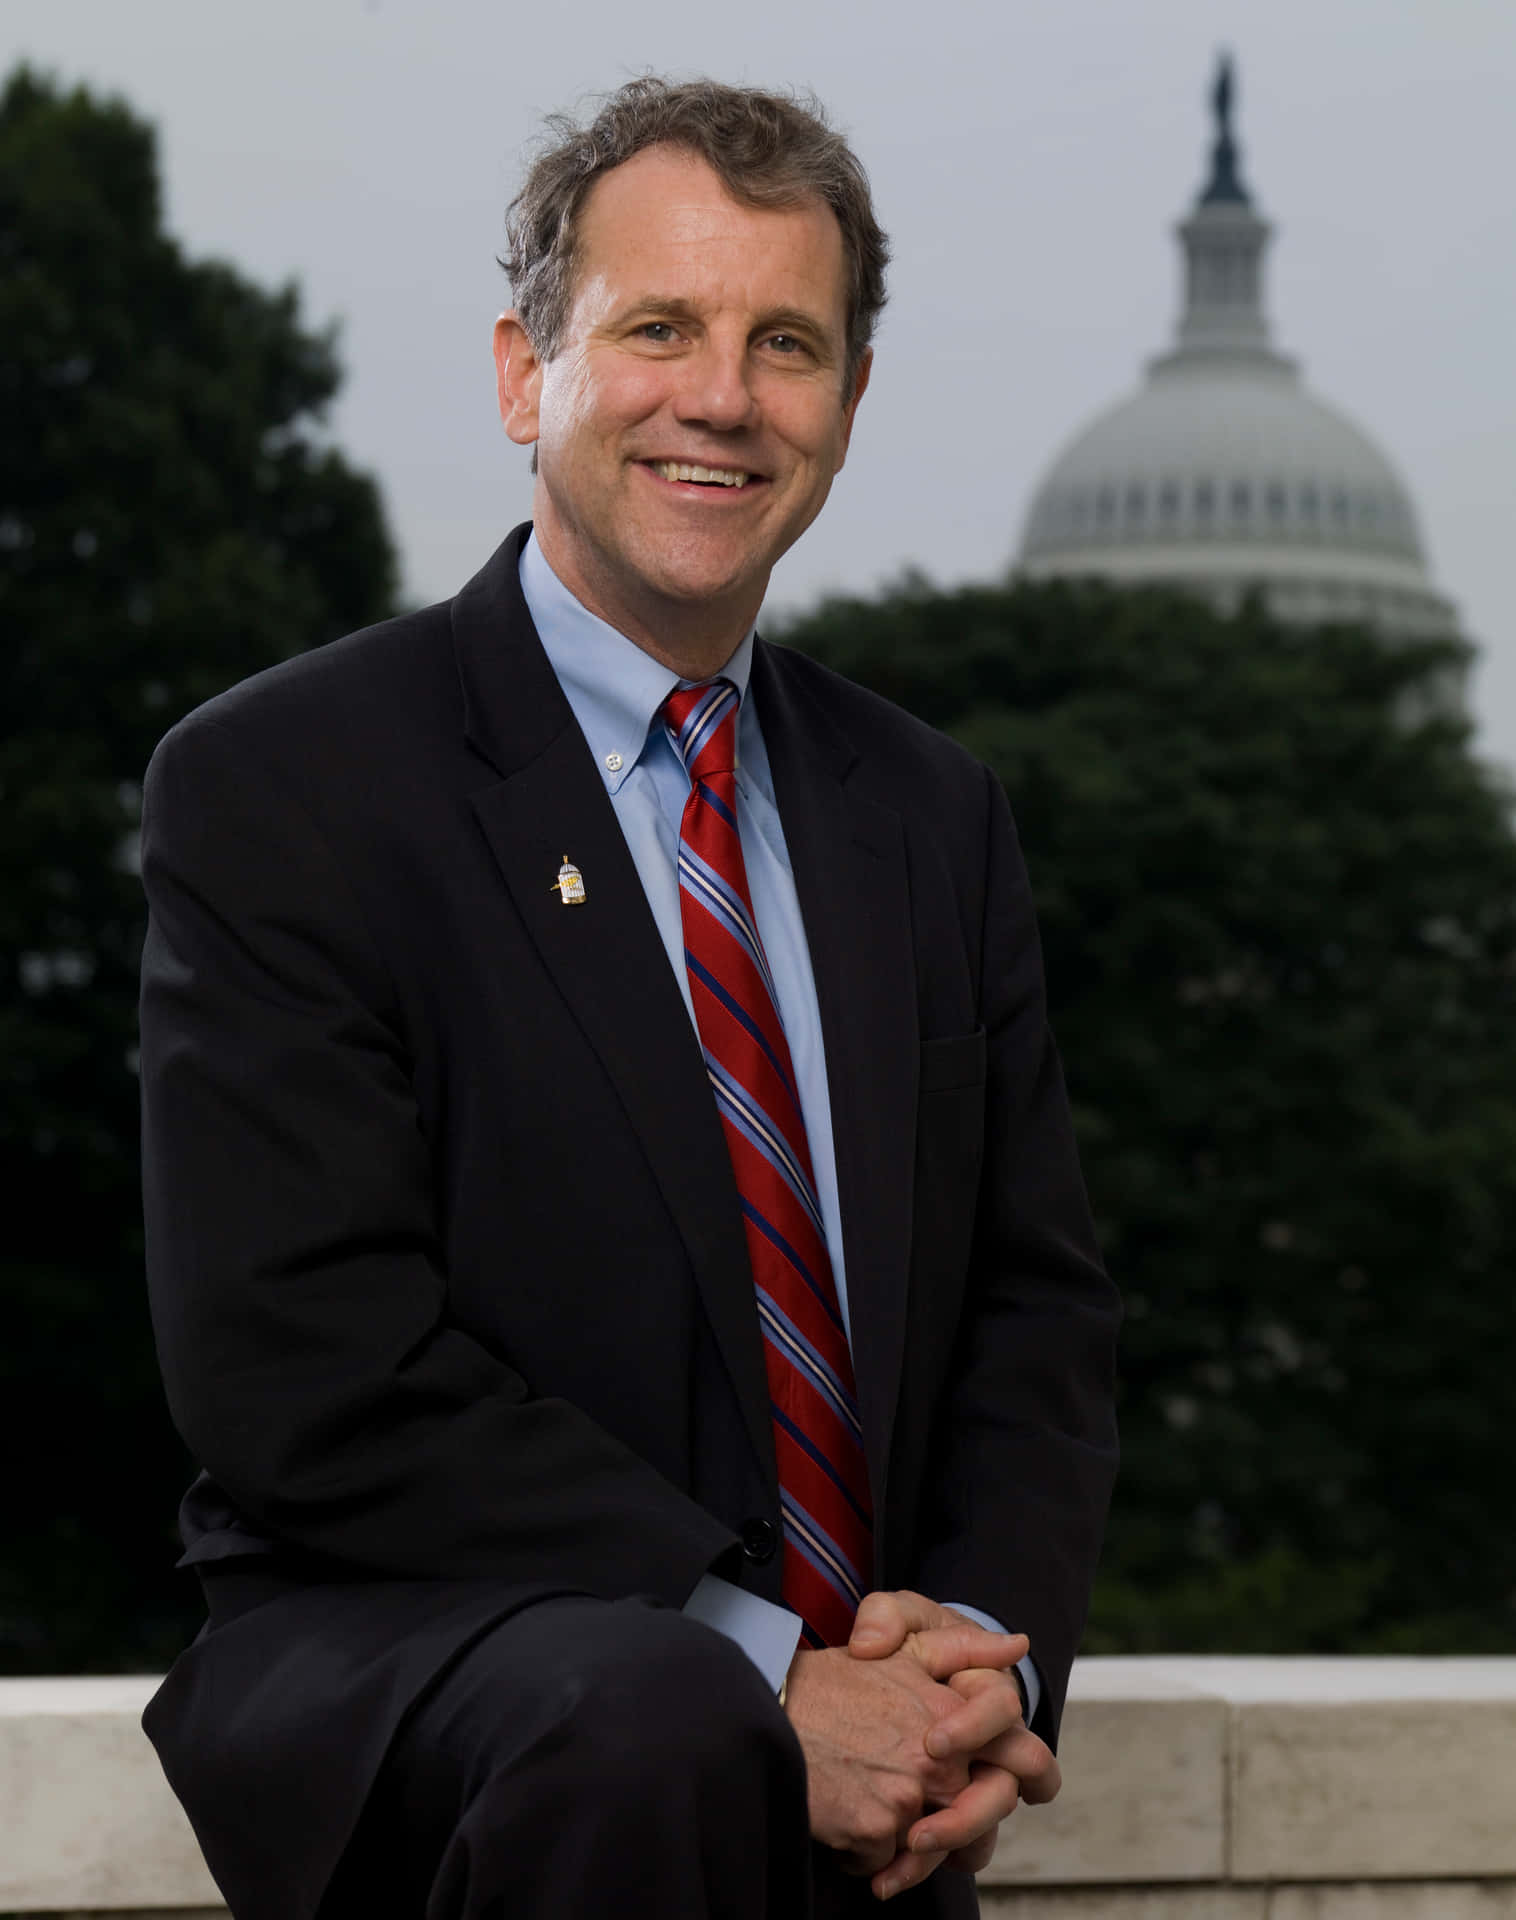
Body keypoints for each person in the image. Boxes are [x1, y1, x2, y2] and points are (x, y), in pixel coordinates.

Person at [138, 77, 1119, 1920]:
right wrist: (759, 1664)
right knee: (659, 1715)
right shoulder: (288, 784)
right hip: (442, 1674)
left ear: (849, 404)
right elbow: (303, 1361)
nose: (724, 398)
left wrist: (974, 1665)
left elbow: (1031, 1312)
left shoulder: (930, 815)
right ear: (527, 374)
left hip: (858, 1724)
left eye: (786, 344)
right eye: (659, 327)